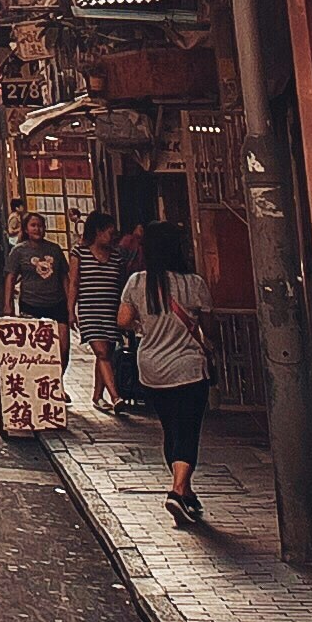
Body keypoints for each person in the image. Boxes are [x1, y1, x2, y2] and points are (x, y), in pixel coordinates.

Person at [121, 210, 216, 528]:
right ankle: (177, 490)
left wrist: (145, 324)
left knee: (170, 430)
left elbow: (122, 321)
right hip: (188, 368)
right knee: (188, 431)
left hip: (152, 369)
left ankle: (186, 494)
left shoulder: (136, 282)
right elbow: (209, 326)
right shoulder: (194, 284)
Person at [72, 206, 132, 416]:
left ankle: (98, 396)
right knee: (102, 352)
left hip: (110, 310)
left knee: (106, 353)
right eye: (108, 232)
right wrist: (71, 310)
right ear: (97, 232)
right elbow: (74, 283)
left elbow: (123, 287)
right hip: (90, 309)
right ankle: (115, 396)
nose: (111, 236)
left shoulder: (117, 258)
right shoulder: (79, 253)